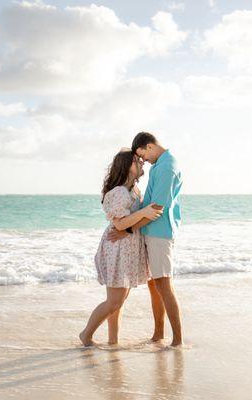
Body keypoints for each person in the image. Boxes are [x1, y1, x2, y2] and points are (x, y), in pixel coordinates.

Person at [79, 149, 163, 347]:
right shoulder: (118, 192)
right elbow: (119, 224)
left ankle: (112, 341)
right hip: (117, 249)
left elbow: (129, 223)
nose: (142, 163)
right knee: (115, 301)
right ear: (127, 166)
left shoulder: (132, 191)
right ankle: (86, 335)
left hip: (127, 248)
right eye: (137, 161)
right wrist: (145, 212)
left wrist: (144, 213)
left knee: (119, 299)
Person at [108, 132, 184, 346]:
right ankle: (158, 334)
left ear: (149, 146)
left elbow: (157, 208)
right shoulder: (161, 165)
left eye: (143, 156)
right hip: (150, 232)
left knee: (164, 285)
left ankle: (177, 341)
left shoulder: (167, 166)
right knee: (155, 285)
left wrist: (128, 230)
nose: (144, 162)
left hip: (159, 233)